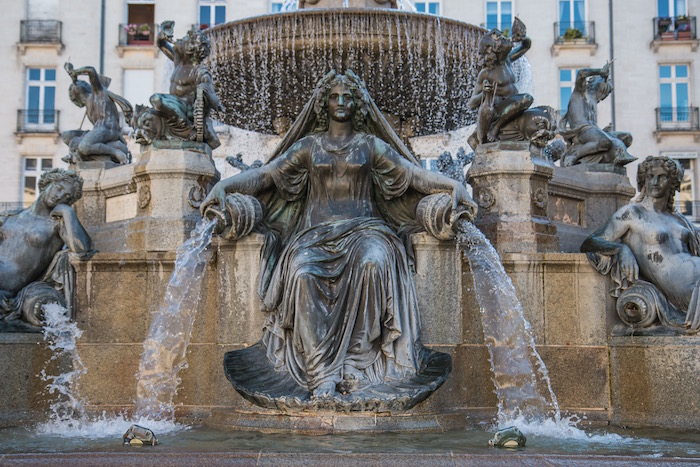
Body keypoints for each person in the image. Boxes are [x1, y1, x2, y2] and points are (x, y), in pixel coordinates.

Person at [201, 70, 476, 400]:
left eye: (348, 97)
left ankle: (358, 364)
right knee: (301, 273)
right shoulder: (308, 146)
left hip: (367, 231)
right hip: (314, 236)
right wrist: (225, 184)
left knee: (375, 263)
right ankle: (322, 373)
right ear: (324, 104)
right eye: (334, 97)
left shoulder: (371, 146)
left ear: (358, 104)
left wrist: (452, 185)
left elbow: (414, 175)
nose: (341, 102)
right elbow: (265, 176)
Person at [581, 156, 700, 331]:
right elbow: (590, 242)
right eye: (650, 176)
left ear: (673, 183)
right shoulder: (632, 213)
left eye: (662, 177)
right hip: (682, 289)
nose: (655, 182)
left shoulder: (678, 219)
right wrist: (620, 249)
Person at [0, 169, 94, 327]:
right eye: (59, 188)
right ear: (46, 183)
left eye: (67, 197)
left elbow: (81, 249)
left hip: (10, 284)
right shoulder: (10, 217)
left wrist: (68, 211)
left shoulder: (55, 225)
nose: (60, 196)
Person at [149, 21, 224, 149]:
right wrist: (162, 35)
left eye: (185, 40)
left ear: (191, 48)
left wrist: (208, 94)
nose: (180, 41)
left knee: (156, 99)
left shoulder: (200, 72)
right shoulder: (179, 62)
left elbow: (215, 102)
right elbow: (161, 45)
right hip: (173, 104)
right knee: (148, 115)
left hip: (186, 110)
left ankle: (188, 132)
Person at [468, 20, 533, 145]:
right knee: (526, 98)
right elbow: (472, 103)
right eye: (502, 40)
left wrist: (523, 38)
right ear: (496, 49)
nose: (507, 40)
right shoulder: (487, 73)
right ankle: (496, 127)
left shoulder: (507, 60)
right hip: (499, 109)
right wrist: (486, 92)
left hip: (513, 104)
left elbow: (526, 46)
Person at [559, 62, 636, 167]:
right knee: (605, 142)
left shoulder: (594, 101)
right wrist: (600, 71)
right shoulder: (581, 92)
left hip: (591, 131)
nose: (604, 95)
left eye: (607, 93)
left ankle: (617, 158)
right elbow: (581, 73)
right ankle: (574, 155)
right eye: (605, 90)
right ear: (596, 83)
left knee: (626, 137)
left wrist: (603, 131)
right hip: (580, 131)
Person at [63, 62, 132, 164]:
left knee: (84, 146)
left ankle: (115, 152)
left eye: (81, 82)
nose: (77, 83)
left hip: (108, 129)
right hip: (102, 131)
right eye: (73, 86)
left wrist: (75, 72)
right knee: (66, 136)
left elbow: (91, 70)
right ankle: (110, 147)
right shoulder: (88, 108)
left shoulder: (98, 92)